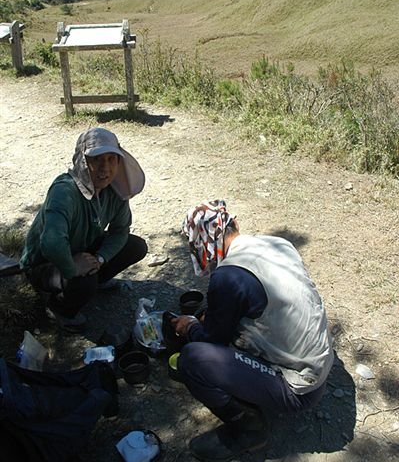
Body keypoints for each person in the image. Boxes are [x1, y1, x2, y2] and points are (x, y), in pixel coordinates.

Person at [171, 200, 334, 462]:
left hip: (299, 389)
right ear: (232, 225)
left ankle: (249, 430)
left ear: (203, 240)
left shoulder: (228, 276)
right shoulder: (278, 244)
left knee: (192, 358)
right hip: (321, 368)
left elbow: (212, 340)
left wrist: (190, 327)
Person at [20, 127, 147, 331]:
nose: (105, 168)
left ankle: (96, 277)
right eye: (96, 160)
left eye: (111, 159)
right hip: (46, 262)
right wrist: (72, 267)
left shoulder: (114, 191)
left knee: (136, 246)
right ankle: (60, 308)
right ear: (82, 161)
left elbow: (120, 230)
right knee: (84, 282)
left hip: (83, 248)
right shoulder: (64, 191)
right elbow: (51, 243)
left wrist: (100, 259)